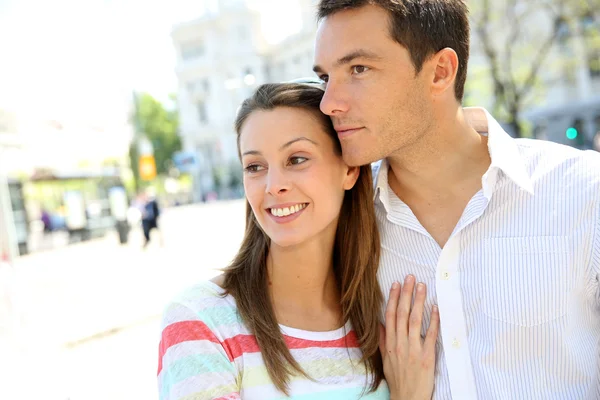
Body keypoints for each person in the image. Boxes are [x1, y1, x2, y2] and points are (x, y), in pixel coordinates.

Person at [313, 1, 600, 399]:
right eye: (325, 77)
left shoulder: (584, 191)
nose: (329, 103)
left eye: (358, 69)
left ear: (440, 72)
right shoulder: (340, 225)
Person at [157, 82, 440, 399]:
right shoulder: (201, 320)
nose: (273, 185)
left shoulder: (384, 319)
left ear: (349, 170)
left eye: (297, 159)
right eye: (255, 166)